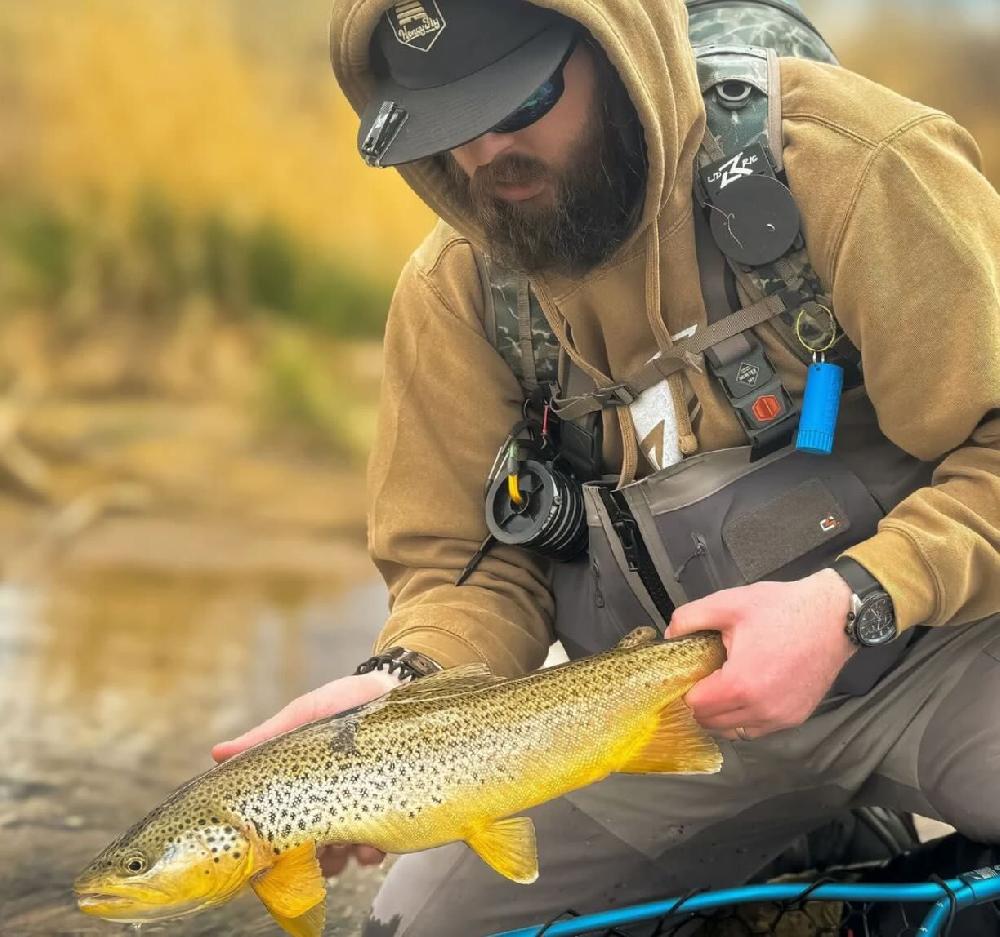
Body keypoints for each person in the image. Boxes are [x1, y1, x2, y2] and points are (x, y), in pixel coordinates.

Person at [212, 0, 1000, 934]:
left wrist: (855, 598)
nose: (483, 155)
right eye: (450, 125)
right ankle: (817, 849)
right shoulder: (454, 292)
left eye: (520, 102)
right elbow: (464, 567)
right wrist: (405, 689)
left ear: (622, 51)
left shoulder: (852, 167)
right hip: (655, 716)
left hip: (934, 652)